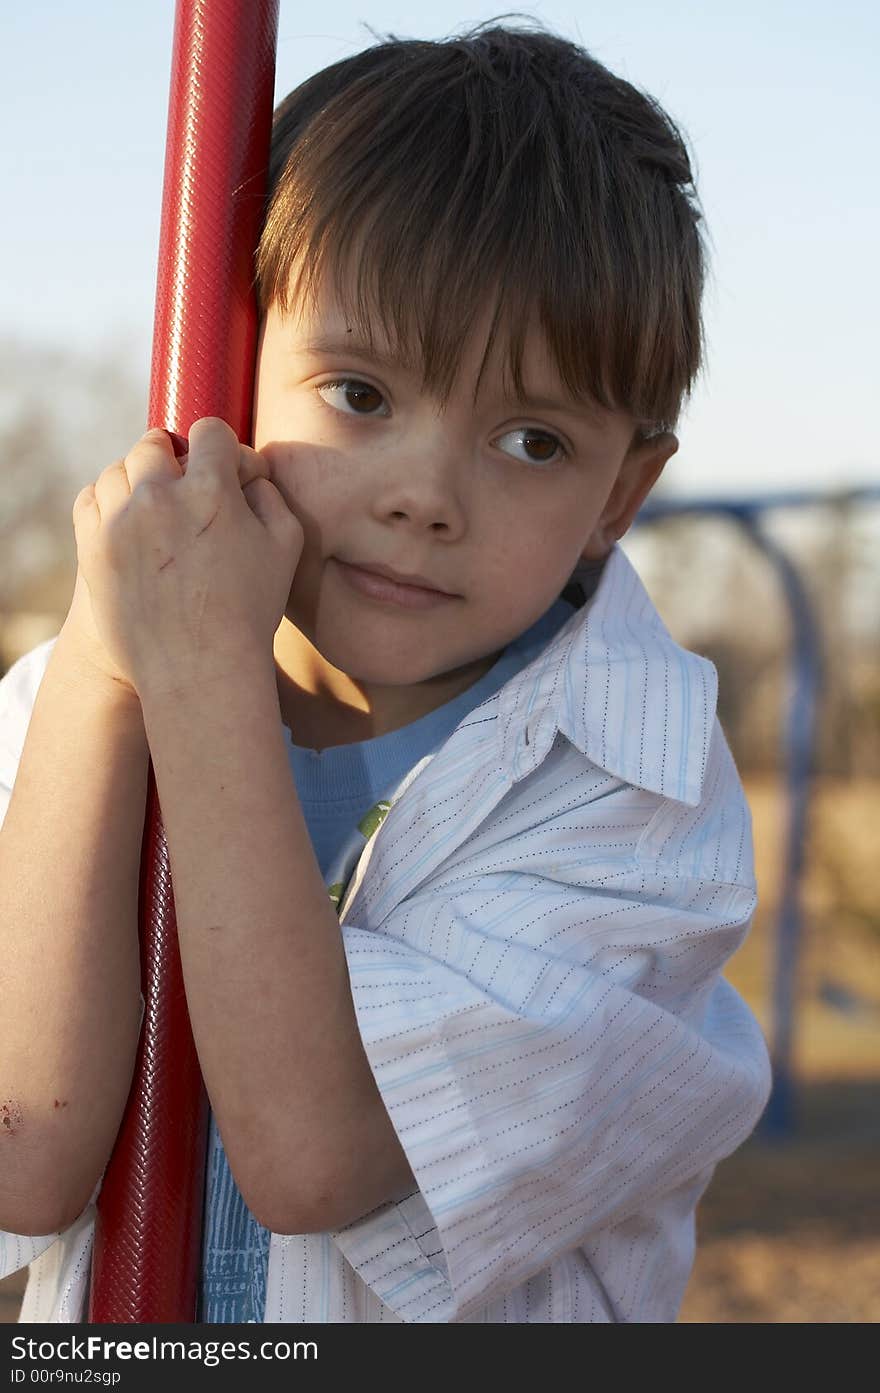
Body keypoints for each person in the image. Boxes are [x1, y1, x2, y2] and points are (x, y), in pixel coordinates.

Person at [0, 19, 771, 1323]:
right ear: (237, 377)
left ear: (620, 495)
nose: (425, 495)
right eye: (359, 394)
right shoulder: (64, 707)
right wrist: (104, 664)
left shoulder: (639, 807)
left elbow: (316, 1154)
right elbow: (26, 1150)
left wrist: (201, 692)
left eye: (531, 439)